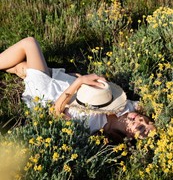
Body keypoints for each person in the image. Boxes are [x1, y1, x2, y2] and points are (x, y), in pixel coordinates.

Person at [0, 37, 155, 141]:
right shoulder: (127, 108)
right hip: (66, 83)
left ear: (129, 134)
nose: (141, 120)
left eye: (141, 127)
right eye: (146, 119)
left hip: (47, 94)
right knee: (21, 67)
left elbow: (55, 113)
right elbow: (156, 104)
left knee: (29, 43)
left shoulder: (91, 127)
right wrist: (76, 80)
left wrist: (79, 82)